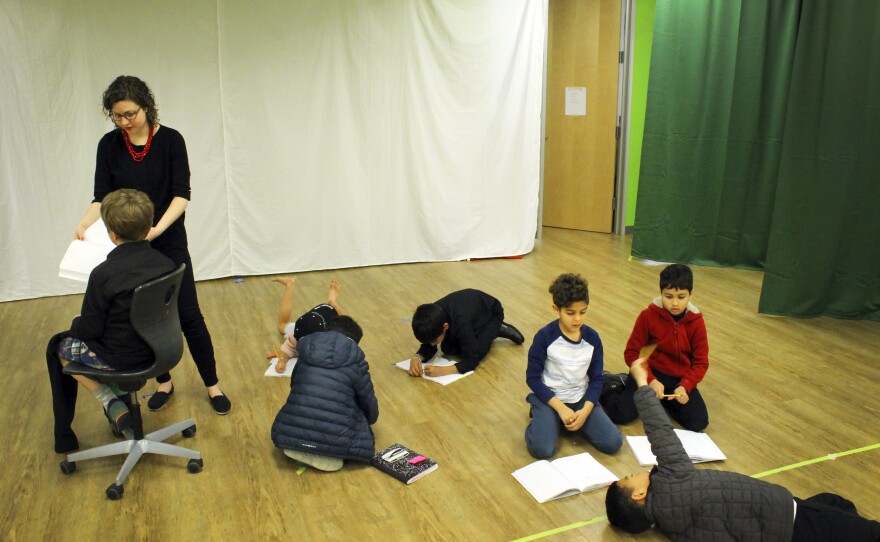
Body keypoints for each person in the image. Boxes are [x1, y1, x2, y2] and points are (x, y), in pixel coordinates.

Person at [74, 75, 230, 415]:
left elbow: (182, 194)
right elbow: (101, 196)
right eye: (117, 116)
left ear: (146, 107)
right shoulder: (109, 145)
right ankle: (164, 382)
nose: (125, 122)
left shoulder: (171, 140)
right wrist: (85, 223)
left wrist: (157, 229)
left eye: (130, 114)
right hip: (132, 248)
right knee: (143, 318)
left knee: (189, 315)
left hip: (168, 240)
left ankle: (212, 385)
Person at [606, 358, 880, 541]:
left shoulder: (670, 526)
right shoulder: (670, 483)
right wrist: (641, 383)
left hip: (777, 523)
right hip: (788, 518)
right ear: (640, 494)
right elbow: (659, 431)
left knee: (835, 503)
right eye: (631, 477)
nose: (637, 472)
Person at [57, 189, 176, 435]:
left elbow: (90, 329)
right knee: (110, 340)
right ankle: (124, 407)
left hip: (120, 359)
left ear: (112, 234)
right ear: (149, 225)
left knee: (59, 347)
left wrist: (75, 324)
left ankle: (110, 402)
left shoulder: (103, 274)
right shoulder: (166, 264)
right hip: (162, 350)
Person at [524, 274, 622, 458]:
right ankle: (541, 416)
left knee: (613, 443)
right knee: (542, 450)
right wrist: (560, 408)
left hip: (580, 399)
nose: (577, 319)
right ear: (556, 309)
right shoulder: (544, 337)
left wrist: (585, 410)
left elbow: (597, 378)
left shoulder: (592, 339)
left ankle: (564, 423)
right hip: (551, 400)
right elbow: (533, 378)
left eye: (583, 312)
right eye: (570, 313)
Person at [601, 264, 709, 431]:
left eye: (681, 297)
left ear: (690, 295)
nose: (674, 303)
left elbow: (701, 362)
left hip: (678, 380)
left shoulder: (697, 322)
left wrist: (685, 386)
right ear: (660, 293)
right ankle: (610, 384)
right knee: (621, 414)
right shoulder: (647, 316)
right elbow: (632, 353)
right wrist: (650, 380)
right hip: (647, 373)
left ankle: (661, 398)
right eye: (668, 296)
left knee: (698, 422)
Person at [270, 316, 379, 472]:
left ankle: (299, 445)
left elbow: (295, 385)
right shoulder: (356, 361)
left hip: (290, 434)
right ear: (353, 341)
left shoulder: (305, 350)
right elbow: (368, 403)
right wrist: (369, 418)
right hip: (336, 441)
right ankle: (326, 451)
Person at [408, 288, 525, 377]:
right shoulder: (432, 315)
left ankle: (497, 328)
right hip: (470, 314)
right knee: (448, 349)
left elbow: (472, 359)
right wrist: (417, 358)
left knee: (477, 351)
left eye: (434, 341)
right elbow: (429, 343)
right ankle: (479, 331)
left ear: (445, 326)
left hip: (492, 313)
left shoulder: (461, 321)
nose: (433, 344)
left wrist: (444, 371)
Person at [272, 276, 344, 373]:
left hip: (328, 322)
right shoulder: (296, 333)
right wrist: (282, 361)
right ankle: (289, 285)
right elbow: (288, 348)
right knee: (282, 327)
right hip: (318, 318)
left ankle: (333, 304)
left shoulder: (333, 337)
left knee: (345, 324)